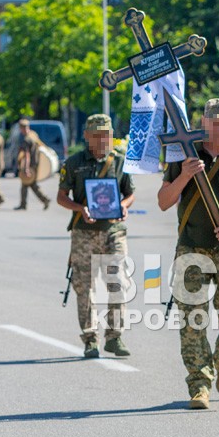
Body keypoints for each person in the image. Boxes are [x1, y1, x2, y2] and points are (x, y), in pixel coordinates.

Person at [157, 98, 219, 409]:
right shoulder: (183, 153)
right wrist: (185, 175)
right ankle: (199, 384)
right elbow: (163, 201)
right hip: (191, 247)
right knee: (192, 321)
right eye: (214, 122)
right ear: (203, 121)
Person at [56, 114, 135, 358]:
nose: (102, 140)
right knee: (84, 287)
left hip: (113, 231)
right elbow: (61, 196)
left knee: (118, 282)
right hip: (84, 233)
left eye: (106, 135)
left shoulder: (121, 162)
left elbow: (130, 194)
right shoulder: (73, 163)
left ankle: (115, 336)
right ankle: (90, 339)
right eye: (97, 135)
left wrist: (124, 206)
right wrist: (80, 208)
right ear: (87, 136)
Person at [14, 118, 52, 211]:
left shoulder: (26, 139)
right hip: (36, 163)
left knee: (30, 184)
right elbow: (40, 145)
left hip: (30, 165)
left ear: (21, 128)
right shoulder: (33, 134)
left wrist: (26, 168)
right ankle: (24, 203)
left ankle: (44, 199)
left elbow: (27, 155)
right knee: (28, 184)